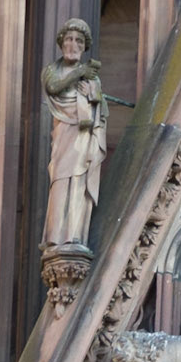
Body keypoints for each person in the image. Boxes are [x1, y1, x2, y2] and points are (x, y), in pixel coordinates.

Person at [42, 20, 107, 252]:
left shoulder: (93, 78)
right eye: (69, 39)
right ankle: (56, 237)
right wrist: (79, 72)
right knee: (60, 179)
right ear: (61, 43)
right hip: (64, 135)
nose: (73, 44)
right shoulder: (53, 70)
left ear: (84, 46)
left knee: (79, 181)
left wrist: (94, 97)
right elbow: (52, 87)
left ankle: (74, 234)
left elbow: (102, 110)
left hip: (84, 137)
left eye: (79, 41)